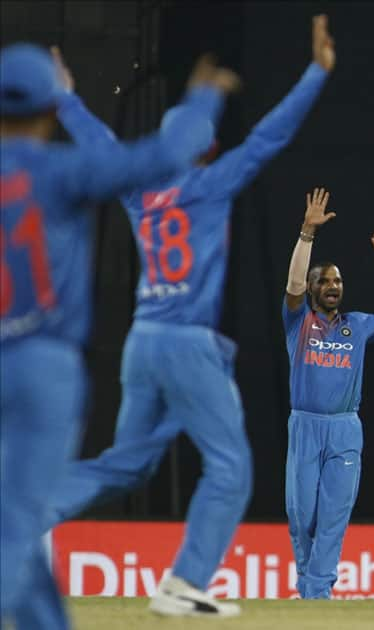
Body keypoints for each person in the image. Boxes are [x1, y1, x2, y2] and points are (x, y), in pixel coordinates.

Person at [44, 15, 336, 617]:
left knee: (128, 465)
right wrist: (315, 74)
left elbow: (98, 142)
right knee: (230, 467)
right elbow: (267, 140)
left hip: (142, 340)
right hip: (186, 343)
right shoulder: (212, 181)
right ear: (204, 146)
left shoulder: (136, 186)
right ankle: (184, 583)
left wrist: (66, 97)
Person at [0, 43, 227, 630]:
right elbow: (167, 153)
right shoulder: (61, 170)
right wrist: (204, 96)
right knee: (18, 518)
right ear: (48, 106)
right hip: (44, 365)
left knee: (15, 514)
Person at [282, 187, 374, 599]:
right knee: (301, 515)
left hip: (344, 431)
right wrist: (307, 233)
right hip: (306, 427)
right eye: (324, 280)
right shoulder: (298, 322)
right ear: (312, 288)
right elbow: (291, 282)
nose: (333, 285)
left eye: (338, 280)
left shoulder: (356, 325)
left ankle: (317, 596)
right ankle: (308, 589)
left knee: (333, 519)